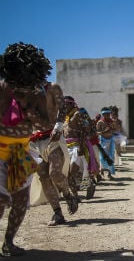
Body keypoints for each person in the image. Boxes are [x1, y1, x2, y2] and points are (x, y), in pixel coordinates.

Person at [0, 42, 54, 256]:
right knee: (1, 200)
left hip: (20, 153)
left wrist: (31, 112)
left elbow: (46, 125)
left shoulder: (38, 94)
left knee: (21, 200)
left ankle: (8, 242)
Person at [29, 78, 78, 227]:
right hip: (34, 141)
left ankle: (68, 195)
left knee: (54, 173)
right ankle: (57, 212)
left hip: (53, 137)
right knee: (43, 177)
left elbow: (63, 108)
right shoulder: (24, 92)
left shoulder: (52, 88)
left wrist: (58, 125)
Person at [64, 98, 99, 200]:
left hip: (77, 146)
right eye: (63, 104)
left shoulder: (77, 114)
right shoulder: (65, 117)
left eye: (67, 104)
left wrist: (80, 146)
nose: (65, 106)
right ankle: (77, 194)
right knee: (69, 173)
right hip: (66, 147)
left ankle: (78, 193)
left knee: (72, 172)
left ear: (72, 105)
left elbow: (84, 130)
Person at [96, 107, 116, 179]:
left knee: (111, 157)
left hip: (111, 141)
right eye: (105, 114)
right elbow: (96, 133)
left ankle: (109, 173)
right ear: (103, 115)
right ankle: (101, 172)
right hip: (103, 141)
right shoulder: (100, 122)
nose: (107, 116)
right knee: (103, 157)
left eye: (108, 114)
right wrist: (104, 131)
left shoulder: (112, 121)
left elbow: (115, 130)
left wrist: (112, 128)